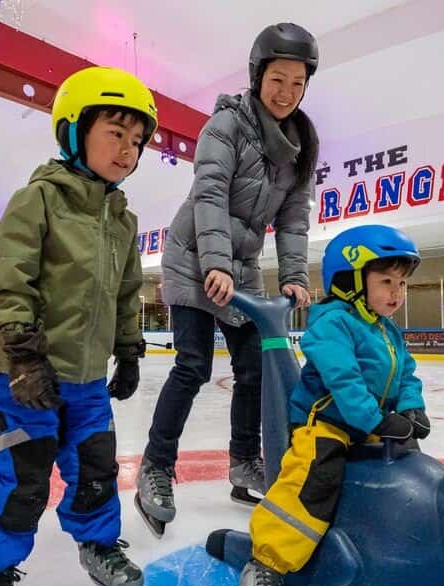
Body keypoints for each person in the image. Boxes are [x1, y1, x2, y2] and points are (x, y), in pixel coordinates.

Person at [0, 66, 156, 586]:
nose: (128, 149)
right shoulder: (38, 200)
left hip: (88, 378)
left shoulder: (123, 220)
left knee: (96, 469)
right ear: (74, 132)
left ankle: (98, 543)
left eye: (137, 140)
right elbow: (11, 280)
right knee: (24, 477)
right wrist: (22, 357)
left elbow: (126, 294)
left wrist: (127, 349)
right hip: (30, 373)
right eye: (115, 132)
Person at [136, 23, 320, 537]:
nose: (286, 92)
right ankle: (155, 467)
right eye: (278, 79)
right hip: (195, 252)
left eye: (297, 83)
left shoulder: (300, 144)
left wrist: (293, 275)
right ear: (258, 76)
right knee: (193, 365)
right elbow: (210, 193)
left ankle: (244, 462)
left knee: (254, 370)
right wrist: (213, 262)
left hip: (240, 265)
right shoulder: (226, 124)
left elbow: (293, 220)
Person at [235, 225, 432, 586]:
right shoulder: (332, 324)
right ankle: (267, 562)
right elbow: (344, 381)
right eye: (386, 281)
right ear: (350, 280)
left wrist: (412, 407)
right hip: (325, 421)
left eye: (402, 283)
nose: (397, 292)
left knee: (407, 465)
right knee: (317, 477)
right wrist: (376, 420)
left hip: (364, 422)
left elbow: (406, 374)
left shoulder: (386, 328)